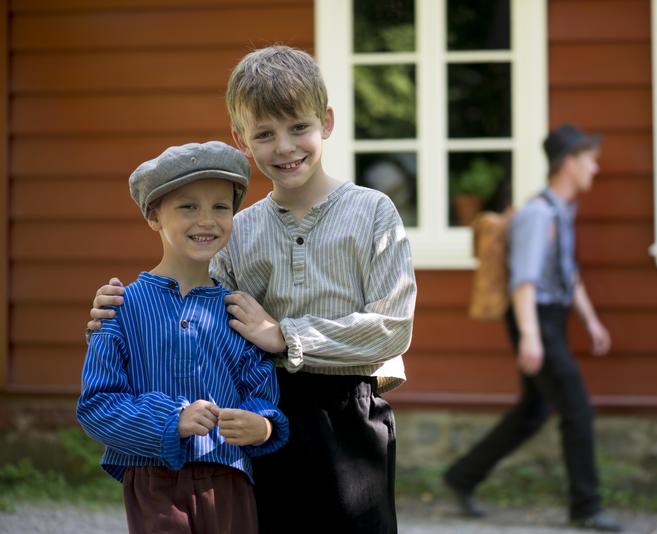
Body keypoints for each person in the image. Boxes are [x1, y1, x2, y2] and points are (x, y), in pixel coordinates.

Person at [87, 45, 416, 534]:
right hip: (266, 409)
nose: (284, 147)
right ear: (242, 140)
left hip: (351, 410)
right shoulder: (237, 229)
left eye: (298, 128)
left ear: (325, 122)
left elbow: (392, 328)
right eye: (265, 134)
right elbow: (198, 312)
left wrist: (287, 335)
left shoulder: (373, 213)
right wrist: (120, 311)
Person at [77, 141, 289, 534]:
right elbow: (97, 406)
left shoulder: (240, 311)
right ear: (155, 216)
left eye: (220, 207)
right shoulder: (121, 308)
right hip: (154, 481)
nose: (206, 220)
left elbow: (261, 393)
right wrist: (170, 419)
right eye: (188, 206)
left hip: (230, 481)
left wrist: (263, 426)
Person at [443, 124, 624, 532]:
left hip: (551, 317)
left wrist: (591, 321)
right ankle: (587, 506)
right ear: (570, 163)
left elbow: (568, 274)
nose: (595, 168)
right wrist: (530, 336)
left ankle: (463, 475)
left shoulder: (562, 211)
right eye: (590, 160)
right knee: (575, 406)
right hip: (534, 317)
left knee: (534, 409)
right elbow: (522, 280)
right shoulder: (537, 215)